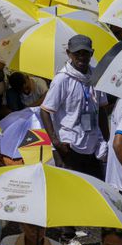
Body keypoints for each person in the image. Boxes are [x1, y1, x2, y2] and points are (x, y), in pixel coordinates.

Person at [41, 35, 109, 178]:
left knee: (94, 189)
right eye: (77, 53)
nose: (81, 57)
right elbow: (45, 111)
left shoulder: (96, 76)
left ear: (92, 53)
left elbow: (102, 109)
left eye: (85, 53)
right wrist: (56, 142)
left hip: (92, 145)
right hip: (68, 146)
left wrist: (106, 139)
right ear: (68, 54)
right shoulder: (62, 79)